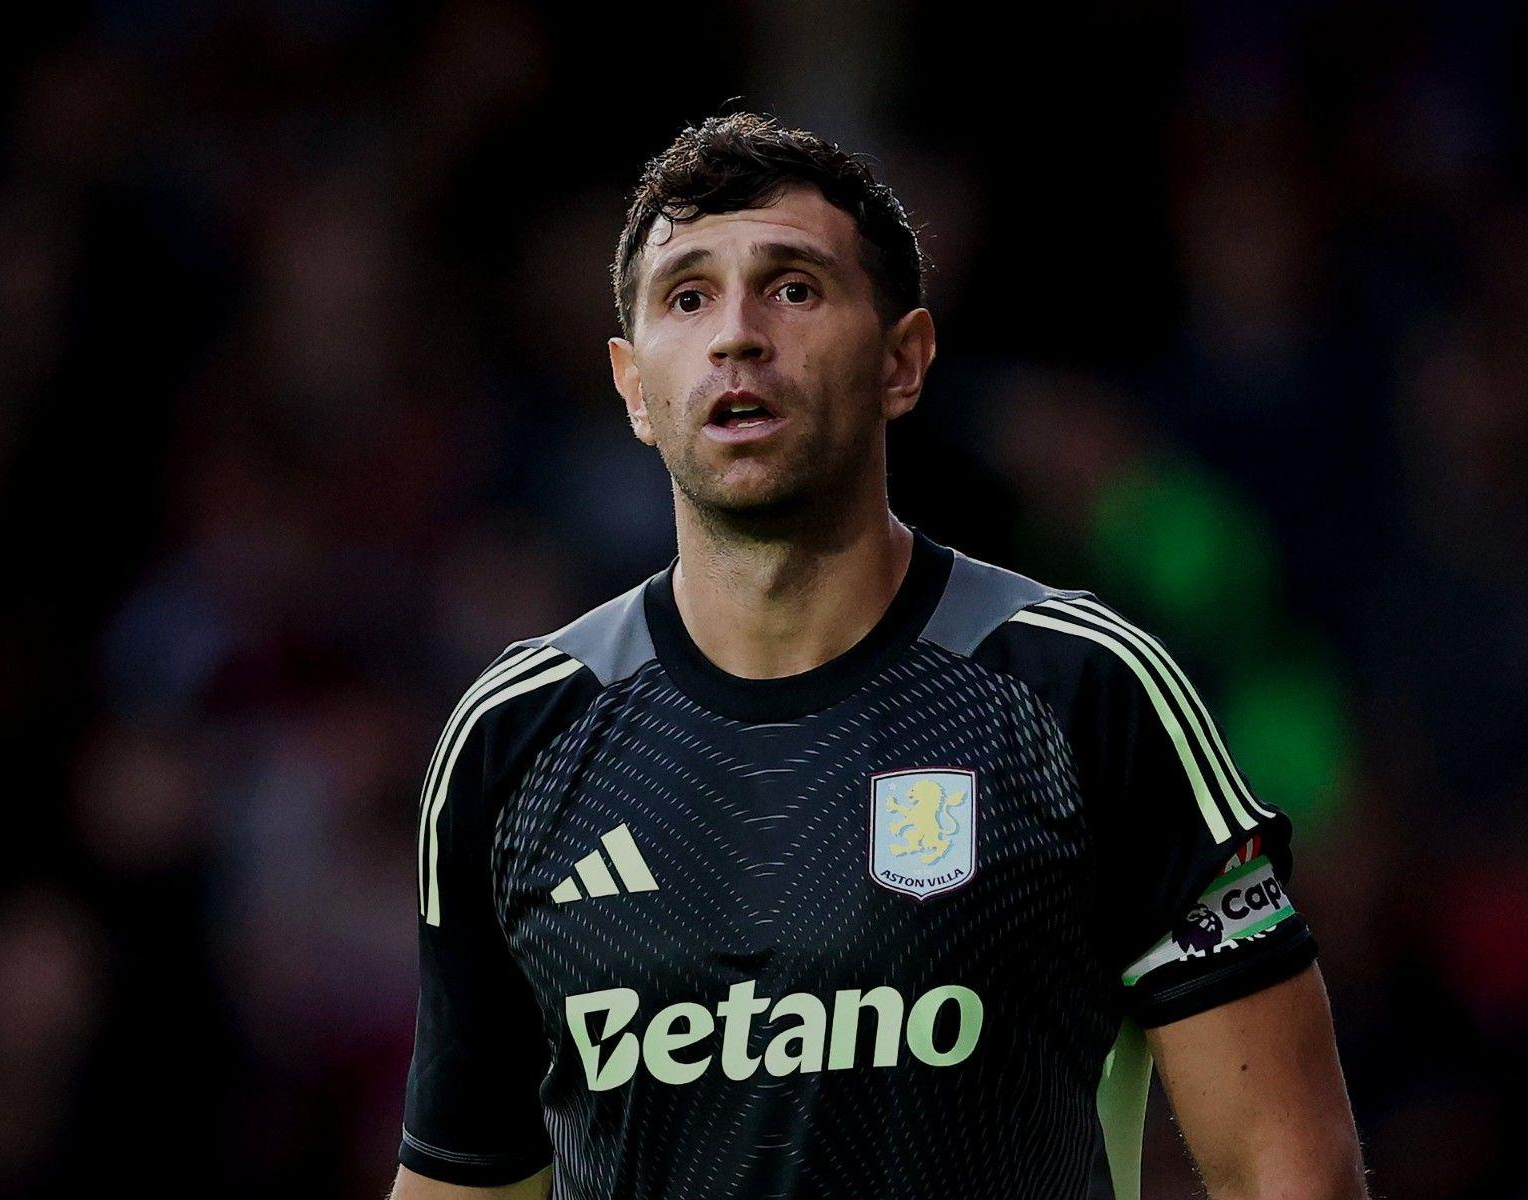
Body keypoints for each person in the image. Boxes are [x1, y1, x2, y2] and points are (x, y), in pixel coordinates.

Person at [389, 111, 1368, 1200]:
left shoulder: (1081, 693)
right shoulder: (513, 742)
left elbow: (1291, 1170)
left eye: (793, 288)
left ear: (903, 362)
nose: (736, 335)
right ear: (632, 386)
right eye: (688, 297)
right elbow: (460, 1179)